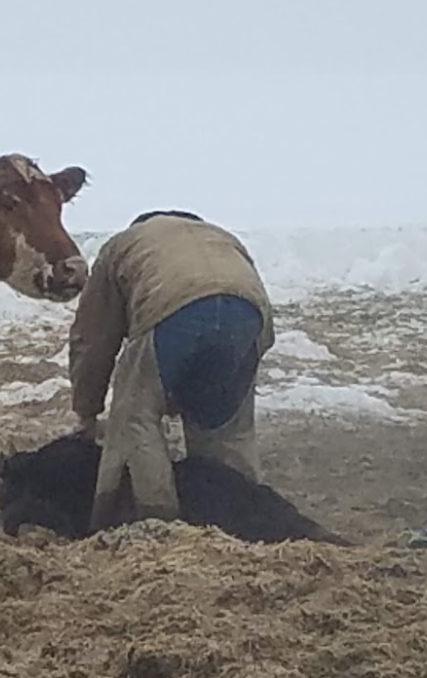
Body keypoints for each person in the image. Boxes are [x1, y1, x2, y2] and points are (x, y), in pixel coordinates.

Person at [68, 209, 275, 530]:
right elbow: (245, 321)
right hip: (247, 314)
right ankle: (242, 519)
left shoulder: (122, 245)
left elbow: (92, 339)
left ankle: (154, 523)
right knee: (225, 430)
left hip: (172, 304)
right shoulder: (222, 236)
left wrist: (86, 410)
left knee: (135, 418)